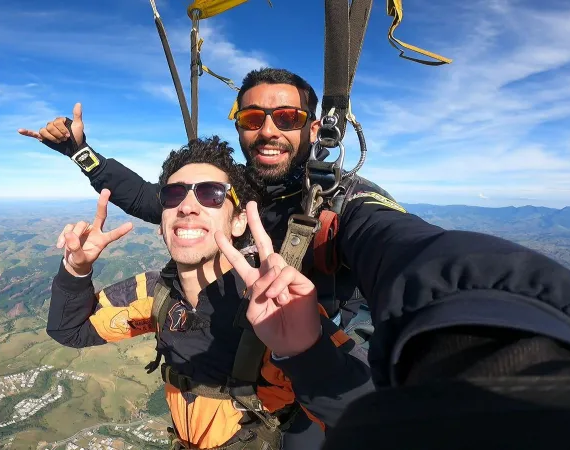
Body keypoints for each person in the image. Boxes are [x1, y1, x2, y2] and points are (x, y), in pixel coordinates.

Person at [19, 68, 384, 445]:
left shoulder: (333, 215)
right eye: (254, 118)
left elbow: (373, 417)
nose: (188, 207)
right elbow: (146, 197)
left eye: (210, 194)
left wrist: (440, 283)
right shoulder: (158, 293)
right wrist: (81, 159)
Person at [210, 185, 570, 449]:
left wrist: (485, 343)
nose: (267, 129)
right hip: (299, 375)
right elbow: (150, 198)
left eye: (286, 117)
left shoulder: (343, 197)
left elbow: (397, 242)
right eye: (250, 118)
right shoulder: (234, 190)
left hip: (314, 386)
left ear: (316, 127)